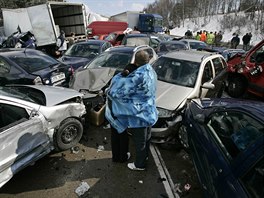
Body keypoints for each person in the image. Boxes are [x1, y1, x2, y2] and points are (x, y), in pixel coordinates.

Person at [105, 50, 158, 171]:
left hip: (139, 116)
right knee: (147, 138)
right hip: (149, 111)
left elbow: (114, 92)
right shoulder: (151, 71)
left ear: (135, 61)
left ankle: (139, 165)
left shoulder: (136, 77)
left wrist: (121, 75)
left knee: (139, 141)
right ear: (148, 60)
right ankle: (144, 157)